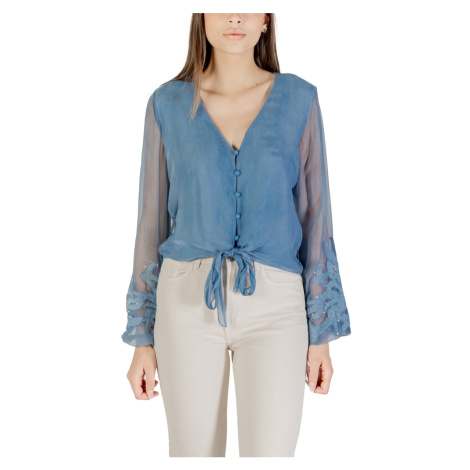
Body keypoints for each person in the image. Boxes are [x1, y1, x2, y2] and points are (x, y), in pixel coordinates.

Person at [121, 13, 351, 457]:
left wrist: (320, 334)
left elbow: (315, 217)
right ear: (200, 15)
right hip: (185, 303)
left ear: (266, 20)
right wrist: (141, 339)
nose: (234, 16)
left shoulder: (300, 99)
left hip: (277, 308)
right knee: (192, 455)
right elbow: (150, 223)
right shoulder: (167, 103)